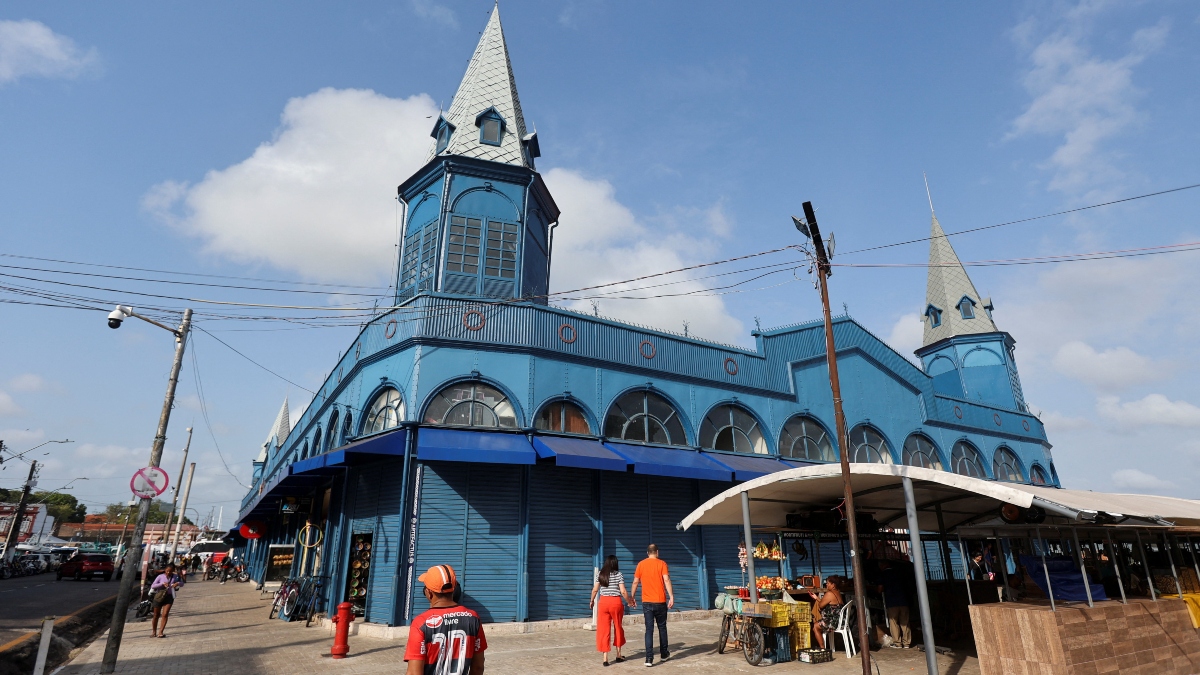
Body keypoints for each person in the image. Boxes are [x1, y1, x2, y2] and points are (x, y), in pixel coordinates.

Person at [405, 565, 486, 675]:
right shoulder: (473, 618)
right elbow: (478, 668)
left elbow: (414, 673)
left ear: (429, 593)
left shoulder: (420, 623)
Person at [629, 544, 674, 667]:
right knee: (662, 628)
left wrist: (631, 598)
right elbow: (666, 580)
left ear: (647, 552)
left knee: (649, 630)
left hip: (647, 602)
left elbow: (635, 582)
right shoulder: (662, 564)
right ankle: (664, 654)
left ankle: (649, 658)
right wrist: (671, 596)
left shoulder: (641, 564)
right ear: (657, 552)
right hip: (660, 601)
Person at [590, 555, 632, 666]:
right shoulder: (619, 574)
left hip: (603, 603)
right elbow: (623, 591)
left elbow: (595, 589)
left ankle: (605, 658)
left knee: (604, 630)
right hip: (615, 602)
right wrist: (629, 601)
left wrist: (592, 601)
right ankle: (618, 655)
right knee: (618, 627)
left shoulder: (600, 574)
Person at [874, 560, 911, 649]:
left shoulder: (883, 575)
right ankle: (907, 643)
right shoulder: (900, 573)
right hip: (904, 600)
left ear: (883, 566)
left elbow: (880, 589)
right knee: (905, 622)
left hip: (892, 601)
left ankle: (897, 643)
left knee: (894, 622)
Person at [149, 562, 184, 638]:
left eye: (170, 571)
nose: (168, 572)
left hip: (169, 597)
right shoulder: (160, 576)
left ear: (173, 571)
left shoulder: (175, 576)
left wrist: (177, 583)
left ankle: (161, 632)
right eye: (167, 571)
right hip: (159, 597)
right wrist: (162, 584)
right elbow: (153, 585)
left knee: (165, 614)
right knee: (156, 615)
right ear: (165, 570)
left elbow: (182, 583)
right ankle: (153, 632)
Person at [808, 575, 844, 651]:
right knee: (818, 623)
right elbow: (825, 603)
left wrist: (818, 600)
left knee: (815, 627)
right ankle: (823, 648)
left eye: (828, 583)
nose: (826, 584)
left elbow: (821, 605)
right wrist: (816, 598)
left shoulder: (829, 594)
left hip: (832, 623)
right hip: (839, 621)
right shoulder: (838, 593)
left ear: (833, 585)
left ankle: (822, 649)